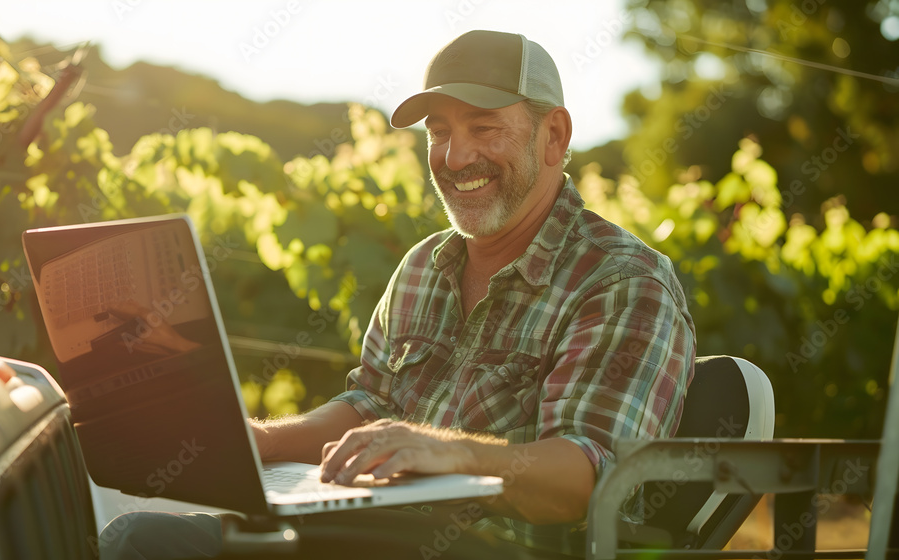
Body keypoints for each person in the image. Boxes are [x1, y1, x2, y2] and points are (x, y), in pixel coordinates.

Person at [100, 29, 696, 559]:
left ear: (553, 135)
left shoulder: (621, 283)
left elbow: (589, 478)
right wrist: (262, 439)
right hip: (361, 531)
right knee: (119, 523)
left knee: (140, 544)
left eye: (484, 128)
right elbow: (369, 402)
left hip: (491, 551)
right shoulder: (422, 267)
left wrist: (450, 453)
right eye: (440, 133)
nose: (456, 157)